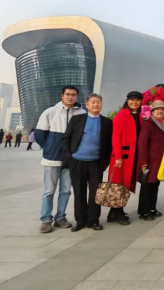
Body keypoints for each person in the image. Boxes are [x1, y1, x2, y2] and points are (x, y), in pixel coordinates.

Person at [36, 85, 86, 233]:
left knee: (65, 190)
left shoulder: (82, 113)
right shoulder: (50, 112)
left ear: (77, 97)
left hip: (71, 159)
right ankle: (46, 220)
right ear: (62, 96)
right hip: (52, 158)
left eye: (73, 94)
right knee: (49, 191)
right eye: (67, 94)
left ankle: (60, 218)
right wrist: (50, 147)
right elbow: (40, 134)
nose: (70, 97)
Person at [61, 94, 113, 231]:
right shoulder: (77, 119)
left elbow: (109, 145)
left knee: (96, 193)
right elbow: (66, 138)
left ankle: (94, 220)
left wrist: (105, 163)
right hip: (77, 161)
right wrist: (69, 157)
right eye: (93, 102)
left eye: (98, 102)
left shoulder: (107, 122)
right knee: (79, 192)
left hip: (96, 163)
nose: (96, 105)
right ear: (87, 104)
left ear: (101, 104)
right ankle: (81, 221)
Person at [107, 91, 144, 225]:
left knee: (125, 185)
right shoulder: (121, 115)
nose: (134, 102)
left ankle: (114, 213)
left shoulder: (139, 117)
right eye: (132, 100)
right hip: (122, 158)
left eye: (137, 100)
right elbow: (116, 136)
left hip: (133, 158)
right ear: (127, 101)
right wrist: (118, 157)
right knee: (119, 185)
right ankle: (118, 212)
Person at [137, 100, 164, 220]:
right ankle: (143, 211)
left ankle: (152, 208)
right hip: (149, 161)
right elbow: (142, 143)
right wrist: (144, 161)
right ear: (152, 112)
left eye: (162, 109)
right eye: (157, 109)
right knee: (147, 185)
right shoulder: (148, 124)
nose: (159, 111)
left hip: (159, 160)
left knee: (155, 184)